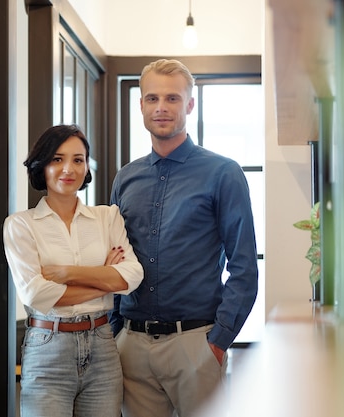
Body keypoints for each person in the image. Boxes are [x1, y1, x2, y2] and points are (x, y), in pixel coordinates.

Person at [109, 58, 259, 417]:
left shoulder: (223, 173)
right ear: (141, 104)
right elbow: (114, 259)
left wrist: (218, 342)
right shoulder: (125, 179)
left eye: (173, 98)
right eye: (152, 98)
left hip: (196, 344)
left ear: (190, 105)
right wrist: (116, 332)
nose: (161, 107)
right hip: (132, 345)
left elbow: (243, 266)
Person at [3, 124, 144, 417]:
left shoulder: (108, 216)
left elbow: (132, 276)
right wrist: (105, 277)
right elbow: (37, 293)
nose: (68, 168)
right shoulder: (21, 225)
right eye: (57, 159)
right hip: (47, 347)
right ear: (42, 165)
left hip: (103, 345)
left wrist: (67, 273)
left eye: (78, 160)